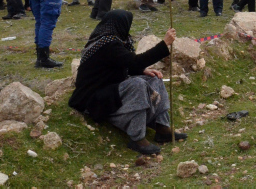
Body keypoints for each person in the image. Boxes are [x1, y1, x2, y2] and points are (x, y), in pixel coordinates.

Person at [69, 10, 185, 155]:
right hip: (95, 99)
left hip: (110, 89)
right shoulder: (107, 44)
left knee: (154, 78)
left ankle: (162, 127)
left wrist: (142, 70)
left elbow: (121, 65)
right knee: (138, 84)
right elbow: (134, 61)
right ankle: (137, 138)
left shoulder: (114, 41)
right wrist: (164, 44)